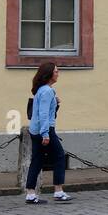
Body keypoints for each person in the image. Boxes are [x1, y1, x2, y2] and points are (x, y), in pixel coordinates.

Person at [25, 61, 71, 204]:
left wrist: (55, 102)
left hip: (35, 129)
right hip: (45, 129)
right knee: (59, 157)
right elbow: (44, 114)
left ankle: (30, 194)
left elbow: (41, 110)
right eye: (56, 71)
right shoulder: (47, 91)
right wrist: (45, 134)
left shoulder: (42, 90)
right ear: (49, 74)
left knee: (37, 160)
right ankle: (58, 191)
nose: (58, 73)